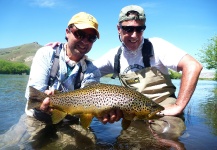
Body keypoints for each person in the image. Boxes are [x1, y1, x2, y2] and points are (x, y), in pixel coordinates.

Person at [93, 5, 203, 127]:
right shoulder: (113, 55)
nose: (134, 35)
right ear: (119, 28)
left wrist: (178, 106)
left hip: (162, 108)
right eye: (128, 29)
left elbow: (193, 65)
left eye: (139, 29)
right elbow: (85, 74)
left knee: (167, 138)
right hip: (132, 113)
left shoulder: (157, 45)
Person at [25, 12, 101, 123]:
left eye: (91, 38)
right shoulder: (46, 54)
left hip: (69, 123)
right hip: (36, 119)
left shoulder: (92, 71)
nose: (85, 41)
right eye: (80, 34)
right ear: (67, 32)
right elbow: (33, 98)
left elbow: (88, 108)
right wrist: (43, 102)